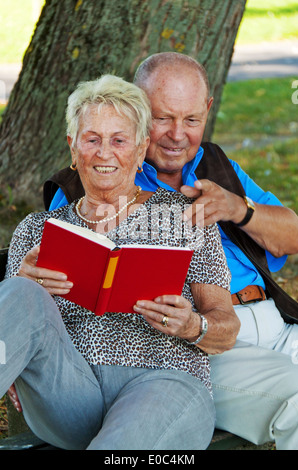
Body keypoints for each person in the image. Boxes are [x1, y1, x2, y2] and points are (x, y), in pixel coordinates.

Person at [43, 52, 298, 450]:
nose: (177, 135)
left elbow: (293, 237)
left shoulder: (214, 163)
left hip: (275, 324)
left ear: (207, 111)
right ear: (137, 109)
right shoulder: (91, 182)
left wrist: (238, 208)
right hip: (193, 344)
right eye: (162, 118)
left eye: (192, 120)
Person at [0, 74, 237, 450]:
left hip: (164, 382)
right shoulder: (37, 230)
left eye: (119, 140)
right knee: (17, 289)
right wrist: (26, 287)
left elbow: (226, 328)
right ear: (73, 149)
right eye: (92, 139)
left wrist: (193, 324)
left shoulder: (185, 218)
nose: (104, 152)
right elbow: (10, 326)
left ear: (141, 149)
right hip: (69, 393)